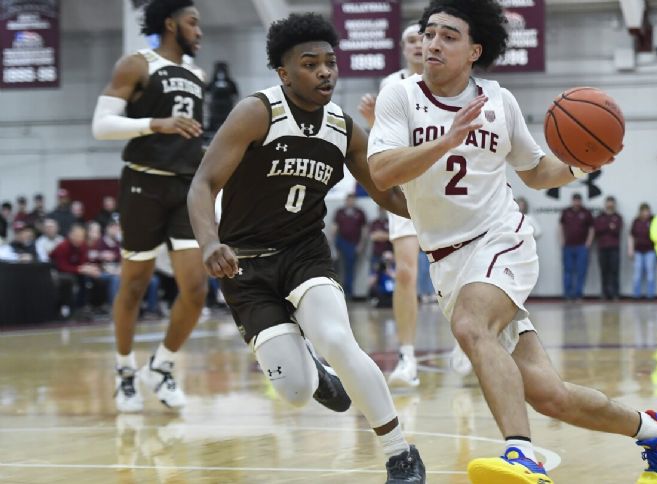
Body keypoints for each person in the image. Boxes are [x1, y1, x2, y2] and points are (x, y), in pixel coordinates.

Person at [367, 1, 657, 482]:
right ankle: (654, 430)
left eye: (449, 36)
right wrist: (447, 140)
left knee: (473, 327)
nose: (433, 43)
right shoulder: (400, 97)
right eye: (430, 33)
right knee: (547, 393)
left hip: (500, 240)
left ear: (475, 50)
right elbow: (383, 170)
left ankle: (521, 454)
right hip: (447, 261)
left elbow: (536, 172)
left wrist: (583, 163)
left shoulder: (499, 102)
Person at [186, 13, 425, 482]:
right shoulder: (258, 112)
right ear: (283, 72)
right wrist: (209, 242)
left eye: (330, 63)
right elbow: (202, 183)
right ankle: (312, 373)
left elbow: (387, 196)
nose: (324, 73)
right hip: (244, 268)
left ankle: (400, 453)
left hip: (304, 256)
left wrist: (443, 215)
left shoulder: (344, 127)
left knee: (337, 338)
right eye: (310, 64)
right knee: (294, 392)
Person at [91, 0, 209, 413]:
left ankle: (162, 365)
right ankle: (124, 369)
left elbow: (191, 136)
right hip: (143, 184)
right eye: (193, 23)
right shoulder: (136, 64)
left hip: (185, 188)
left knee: (196, 288)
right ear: (171, 23)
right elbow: (101, 125)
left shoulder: (197, 75)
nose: (199, 30)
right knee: (135, 285)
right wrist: (153, 124)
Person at [358, 22, 425, 389]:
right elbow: (383, 144)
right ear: (403, 48)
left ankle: (468, 345)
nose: (418, 45)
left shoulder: (446, 80)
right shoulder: (391, 85)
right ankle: (407, 356)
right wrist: (373, 124)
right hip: (406, 191)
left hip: (445, 189)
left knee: (457, 277)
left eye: (423, 38)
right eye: (411, 40)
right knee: (404, 274)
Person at [559, 193, 593, 300]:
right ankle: (568, 294)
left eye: (578, 200)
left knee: (581, 271)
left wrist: (588, 242)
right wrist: (562, 240)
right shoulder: (566, 212)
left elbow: (592, 228)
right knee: (568, 270)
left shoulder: (586, 213)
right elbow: (560, 226)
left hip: (582, 247)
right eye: (575, 200)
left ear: (581, 201)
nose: (576, 202)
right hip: (568, 246)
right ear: (572, 201)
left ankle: (578, 294)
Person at [333, 193, 366, 299]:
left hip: (353, 243)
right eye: (349, 200)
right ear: (346, 201)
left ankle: (348, 293)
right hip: (341, 242)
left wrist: (361, 244)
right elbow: (334, 228)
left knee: (350, 268)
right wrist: (334, 246)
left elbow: (364, 230)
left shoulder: (360, 213)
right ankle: (336, 291)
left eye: (352, 200)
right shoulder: (340, 212)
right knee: (336, 268)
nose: (350, 202)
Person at [594, 196, 622, 300]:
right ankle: (604, 293)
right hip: (602, 248)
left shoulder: (618, 217)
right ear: (605, 204)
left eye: (612, 203)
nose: (610, 205)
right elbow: (597, 230)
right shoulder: (600, 217)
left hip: (614, 248)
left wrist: (605, 228)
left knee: (614, 271)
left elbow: (617, 230)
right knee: (604, 271)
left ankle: (615, 293)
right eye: (608, 203)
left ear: (614, 204)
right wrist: (608, 227)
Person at [629, 202, 656, 299]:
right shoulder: (636, 221)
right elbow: (632, 236)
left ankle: (650, 295)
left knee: (650, 273)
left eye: (647, 211)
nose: (646, 213)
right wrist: (630, 249)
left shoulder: (653, 220)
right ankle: (636, 294)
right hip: (638, 251)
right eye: (643, 211)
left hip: (650, 250)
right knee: (637, 273)